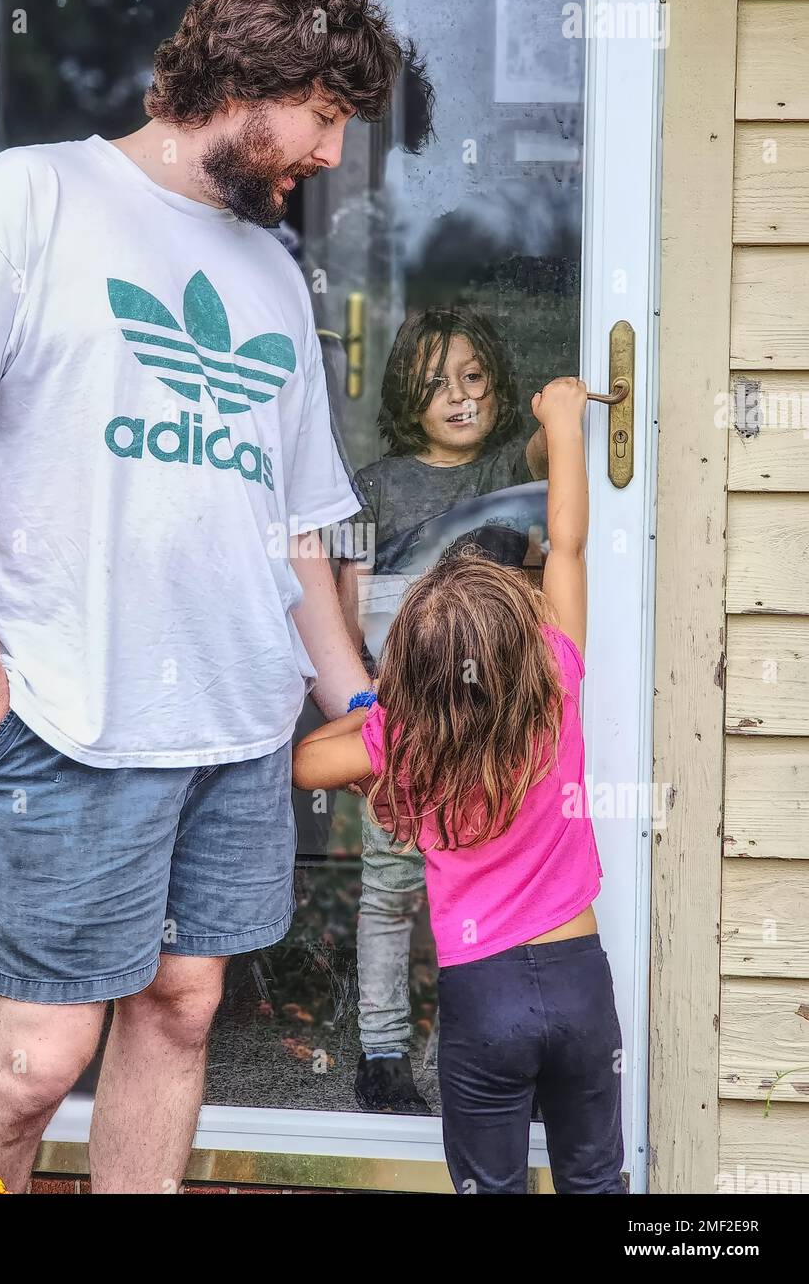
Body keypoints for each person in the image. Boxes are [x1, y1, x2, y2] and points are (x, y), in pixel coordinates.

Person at [0, 0, 407, 1194]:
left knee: (178, 1009)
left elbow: (298, 532)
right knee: (32, 1059)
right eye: (325, 114)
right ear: (258, 82)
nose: (331, 151)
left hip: (230, 730)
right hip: (62, 714)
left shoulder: (272, 275)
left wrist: (361, 709)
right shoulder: (33, 198)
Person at [293, 376, 627, 1194]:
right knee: (595, 1179)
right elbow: (569, 542)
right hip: (580, 978)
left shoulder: (404, 737)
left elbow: (304, 764)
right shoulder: (556, 677)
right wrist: (561, 425)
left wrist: (379, 716)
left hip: (483, 997)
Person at [334, 306, 548, 1114]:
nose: (458, 397)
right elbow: (347, 599)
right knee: (390, 886)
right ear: (404, 395)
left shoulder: (503, 470)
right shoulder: (377, 486)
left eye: (473, 378)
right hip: (405, 717)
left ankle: (492, 1044)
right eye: (434, 385)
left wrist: (560, 412)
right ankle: (380, 1052)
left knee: (495, 881)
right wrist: (358, 695)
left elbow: (544, 454)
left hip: (493, 722)